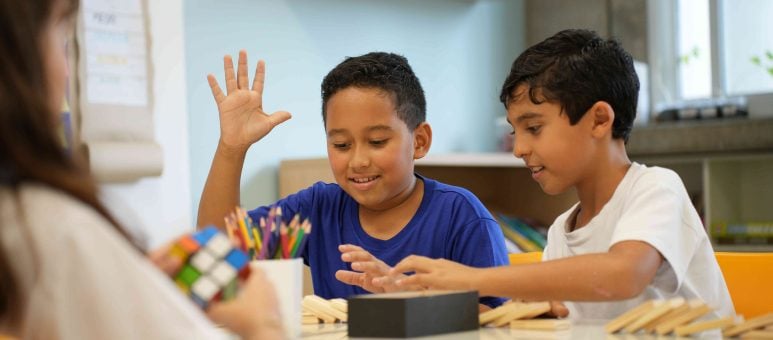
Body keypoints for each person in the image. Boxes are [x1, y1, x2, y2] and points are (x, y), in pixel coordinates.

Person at [390, 29, 734, 320]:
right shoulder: (560, 232)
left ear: (599, 120)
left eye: (534, 128)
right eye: (515, 131)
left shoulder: (657, 188)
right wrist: (415, 296)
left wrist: (474, 278)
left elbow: (622, 275)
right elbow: (556, 314)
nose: (519, 148)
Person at [0, 0, 282, 338]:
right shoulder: (49, 230)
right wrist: (262, 326)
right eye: (58, 31)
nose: (65, 69)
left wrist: (128, 283)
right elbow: (220, 240)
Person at [198, 51, 509, 309]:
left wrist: (409, 300)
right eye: (341, 146)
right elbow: (217, 251)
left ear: (419, 141)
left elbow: (501, 320)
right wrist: (231, 149)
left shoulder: (461, 216)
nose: (358, 161)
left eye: (376, 141)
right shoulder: (318, 209)